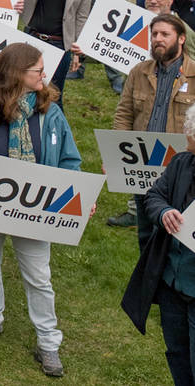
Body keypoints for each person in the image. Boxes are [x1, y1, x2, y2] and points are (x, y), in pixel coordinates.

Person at [0, 43, 88, 377]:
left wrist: (78, 194)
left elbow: (70, 159)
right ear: (16, 73)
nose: (44, 75)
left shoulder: (49, 109)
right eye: (37, 70)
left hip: (36, 206)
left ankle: (48, 341)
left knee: (39, 276)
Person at [106, 15, 195, 247]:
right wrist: (116, 155)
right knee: (145, 232)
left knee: (175, 234)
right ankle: (146, 279)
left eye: (165, 34)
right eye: (154, 34)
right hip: (141, 163)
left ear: (181, 39)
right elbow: (124, 113)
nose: (158, 39)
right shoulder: (139, 71)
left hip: (179, 167)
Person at [124, 104, 195, 385]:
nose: (185, 138)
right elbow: (153, 196)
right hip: (171, 284)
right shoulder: (181, 163)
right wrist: (164, 212)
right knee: (177, 352)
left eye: (190, 134)